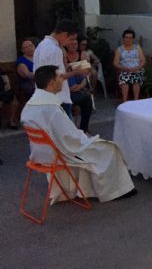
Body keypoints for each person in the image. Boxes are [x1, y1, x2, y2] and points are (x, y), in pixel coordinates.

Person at [21, 65, 136, 203]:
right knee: (110, 148)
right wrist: (87, 138)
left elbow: (63, 135)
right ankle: (116, 191)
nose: (63, 80)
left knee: (94, 146)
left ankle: (85, 189)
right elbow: (71, 139)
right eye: (60, 77)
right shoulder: (51, 109)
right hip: (59, 154)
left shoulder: (29, 105)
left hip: (40, 154)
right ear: (51, 83)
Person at [33, 20, 90, 119]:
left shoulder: (41, 45)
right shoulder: (54, 50)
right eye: (71, 39)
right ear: (64, 34)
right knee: (64, 131)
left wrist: (70, 67)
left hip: (44, 96)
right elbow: (56, 77)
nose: (70, 43)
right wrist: (77, 71)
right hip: (57, 98)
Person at [65, 37, 94, 133]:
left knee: (87, 97)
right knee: (83, 98)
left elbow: (86, 72)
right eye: (71, 44)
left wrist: (71, 69)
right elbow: (65, 72)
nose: (73, 46)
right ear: (66, 45)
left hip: (82, 82)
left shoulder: (83, 54)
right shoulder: (64, 56)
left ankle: (83, 128)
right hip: (68, 85)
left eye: (75, 44)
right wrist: (77, 69)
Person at [113, 29, 146, 102]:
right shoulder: (119, 49)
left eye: (130, 38)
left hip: (137, 69)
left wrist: (137, 68)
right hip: (124, 70)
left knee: (136, 78)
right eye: (126, 37)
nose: (128, 39)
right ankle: (125, 101)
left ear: (133, 39)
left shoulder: (137, 48)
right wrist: (124, 68)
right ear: (123, 38)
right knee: (125, 79)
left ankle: (136, 101)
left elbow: (143, 61)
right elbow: (115, 63)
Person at [16, 38, 37, 102]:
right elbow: (27, 75)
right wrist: (43, 74)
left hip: (40, 83)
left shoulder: (38, 57)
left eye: (31, 46)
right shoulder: (21, 61)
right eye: (26, 47)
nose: (30, 48)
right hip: (29, 86)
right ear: (22, 50)